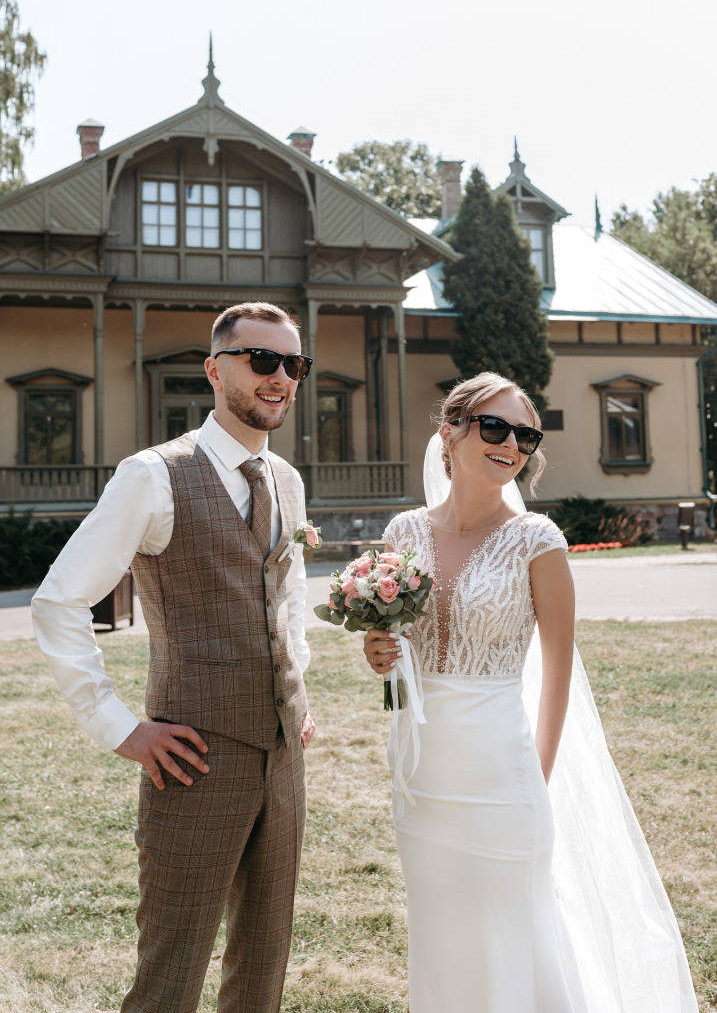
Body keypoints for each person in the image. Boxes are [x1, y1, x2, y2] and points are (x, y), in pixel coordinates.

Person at [363, 372, 698, 1013]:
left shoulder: (538, 542)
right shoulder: (403, 533)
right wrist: (378, 652)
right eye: (494, 426)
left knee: (513, 938)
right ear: (449, 434)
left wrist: (536, 779)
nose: (511, 444)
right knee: (443, 937)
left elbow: (558, 672)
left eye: (525, 435)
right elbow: (395, 647)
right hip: (418, 775)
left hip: (502, 779)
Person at [32, 301, 316, 1013]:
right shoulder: (152, 476)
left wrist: (299, 692)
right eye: (263, 360)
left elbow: (286, 596)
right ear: (215, 369)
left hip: (282, 759)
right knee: (170, 975)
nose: (280, 377)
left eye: (295, 364)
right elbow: (59, 602)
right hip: (192, 759)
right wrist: (120, 728)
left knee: (262, 969)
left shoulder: (285, 479)